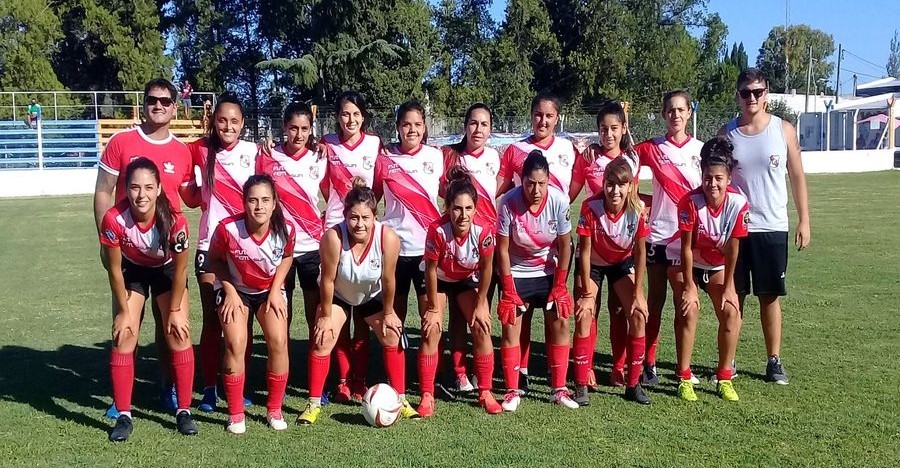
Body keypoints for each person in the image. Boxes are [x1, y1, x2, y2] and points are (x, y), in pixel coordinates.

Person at [93, 78, 193, 418]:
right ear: (144, 103)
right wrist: (105, 240)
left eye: (165, 101)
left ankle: (169, 387)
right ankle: (122, 399)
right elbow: (103, 191)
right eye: (152, 99)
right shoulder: (121, 141)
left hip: (166, 256)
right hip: (129, 253)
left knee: (172, 327)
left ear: (175, 107)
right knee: (125, 324)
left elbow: (189, 194)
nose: (158, 105)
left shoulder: (182, 151)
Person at [298, 178, 419, 424]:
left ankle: (401, 399)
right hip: (340, 295)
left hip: (371, 295)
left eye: (366, 217)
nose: (360, 224)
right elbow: (328, 280)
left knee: (393, 335)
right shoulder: (333, 237)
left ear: (375, 216)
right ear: (345, 216)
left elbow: (388, 280)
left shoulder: (388, 238)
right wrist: (325, 315)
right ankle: (313, 404)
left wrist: (389, 313)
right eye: (353, 217)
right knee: (322, 337)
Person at [719, 68, 811, 384]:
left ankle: (774, 361)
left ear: (766, 94)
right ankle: (728, 362)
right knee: (735, 296)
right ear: (738, 96)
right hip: (736, 229)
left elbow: (797, 175)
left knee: (769, 296)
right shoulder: (726, 134)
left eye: (758, 92)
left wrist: (804, 220)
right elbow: (716, 179)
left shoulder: (783, 130)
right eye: (746, 93)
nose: (752, 98)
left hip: (772, 226)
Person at [100, 158, 197, 441]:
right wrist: (122, 311)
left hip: (167, 272)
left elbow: (181, 269)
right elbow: (115, 269)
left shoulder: (175, 221)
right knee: (124, 335)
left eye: (148, 187)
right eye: (134, 187)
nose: (141, 195)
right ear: (126, 189)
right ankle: (124, 415)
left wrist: (175, 310)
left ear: (158, 189)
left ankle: (184, 411)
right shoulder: (114, 219)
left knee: (178, 332)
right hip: (134, 271)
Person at [497, 92, 580, 392]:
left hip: (550, 258)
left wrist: (560, 283)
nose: (542, 121)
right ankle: (519, 375)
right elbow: (497, 188)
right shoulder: (514, 150)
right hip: (519, 260)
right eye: (538, 114)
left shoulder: (568, 149)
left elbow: (579, 181)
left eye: (549, 115)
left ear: (558, 118)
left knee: (558, 315)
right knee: (520, 317)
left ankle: (559, 383)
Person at [185, 93, 259, 413]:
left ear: (243, 124)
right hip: (209, 248)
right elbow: (184, 187)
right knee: (213, 322)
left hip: (245, 250)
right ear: (213, 121)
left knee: (244, 322)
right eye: (222, 120)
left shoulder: (254, 152)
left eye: (234, 121)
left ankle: (241, 384)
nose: (228, 126)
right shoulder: (198, 149)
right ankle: (209, 389)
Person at [207, 175, 294, 434]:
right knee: (235, 343)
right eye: (253, 200)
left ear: (275, 203)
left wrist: (276, 289)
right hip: (236, 289)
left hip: (269, 290)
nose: (259, 206)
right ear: (244, 202)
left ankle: (274, 409)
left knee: (279, 341)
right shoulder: (227, 229)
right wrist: (230, 290)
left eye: (265, 200)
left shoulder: (287, 229)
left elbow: (287, 257)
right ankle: (236, 414)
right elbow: (214, 260)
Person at [632, 90, 704, 386]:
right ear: (663, 115)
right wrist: (639, 199)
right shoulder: (652, 147)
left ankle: (682, 366)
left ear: (689, 113)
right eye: (670, 110)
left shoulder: (701, 150)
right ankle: (649, 363)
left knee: (684, 302)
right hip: (658, 236)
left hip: (684, 240)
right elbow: (625, 162)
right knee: (655, 302)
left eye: (680, 110)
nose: (675, 115)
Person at [670, 137, 749, 402]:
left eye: (718, 178)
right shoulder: (689, 202)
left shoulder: (738, 203)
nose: (712, 184)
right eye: (707, 178)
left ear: (729, 178)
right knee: (689, 309)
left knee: (731, 312)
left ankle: (724, 377)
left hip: (717, 265)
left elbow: (734, 249)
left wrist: (730, 287)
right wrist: (689, 286)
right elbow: (686, 248)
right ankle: (684, 377)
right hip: (687, 264)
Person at [420, 166, 500, 416]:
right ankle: (427, 395)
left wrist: (481, 304)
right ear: (447, 208)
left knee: (481, 326)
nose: (463, 215)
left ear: (475, 208)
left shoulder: (484, 231)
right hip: (439, 279)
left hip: (466, 279)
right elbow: (430, 270)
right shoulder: (437, 230)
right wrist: (433, 308)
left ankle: (485, 392)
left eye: (468, 208)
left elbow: (487, 269)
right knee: (432, 328)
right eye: (457, 208)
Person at [319, 91, 382, 402]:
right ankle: (342, 380)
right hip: (336, 232)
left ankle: (360, 379)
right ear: (337, 116)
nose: (351, 119)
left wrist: (363, 216)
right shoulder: (326, 143)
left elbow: (377, 188)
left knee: (363, 317)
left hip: (364, 232)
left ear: (363, 117)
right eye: (345, 113)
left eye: (356, 114)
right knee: (340, 311)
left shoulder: (375, 144)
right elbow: (321, 183)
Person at [573, 101, 641, 389]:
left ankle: (618, 367)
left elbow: (636, 198)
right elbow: (570, 194)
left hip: (622, 251)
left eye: (614, 128)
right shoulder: (588, 157)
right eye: (603, 129)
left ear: (624, 129)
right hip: (592, 247)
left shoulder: (634, 158)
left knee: (620, 310)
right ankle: (586, 367)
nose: (609, 134)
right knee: (588, 308)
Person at [573, 157, 651, 406]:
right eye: (610, 184)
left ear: (630, 186)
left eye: (621, 184)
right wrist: (587, 294)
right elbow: (585, 252)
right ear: (603, 184)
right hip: (593, 264)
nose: (614, 190)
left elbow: (640, 253)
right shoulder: (590, 206)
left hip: (621, 263)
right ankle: (580, 383)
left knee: (638, 314)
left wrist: (638, 293)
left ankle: (633, 384)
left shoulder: (638, 210)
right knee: (584, 313)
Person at [437, 103, 500, 395]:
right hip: (453, 245)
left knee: (479, 312)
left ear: (491, 129)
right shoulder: (448, 156)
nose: (478, 129)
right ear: (465, 126)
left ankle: (479, 371)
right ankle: (459, 374)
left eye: (484, 124)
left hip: (484, 247)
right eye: (473, 123)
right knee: (456, 316)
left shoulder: (497, 158)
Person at [257, 101, 327, 334]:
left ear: (311, 129)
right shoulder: (268, 156)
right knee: (280, 311)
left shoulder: (319, 157)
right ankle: (282, 353)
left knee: (314, 310)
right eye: (294, 128)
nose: (299, 134)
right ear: (285, 127)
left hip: (311, 246)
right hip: (279, 245)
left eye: (305, 129)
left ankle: (315, 353)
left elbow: (334, 195)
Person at [374, 101, 443, 322]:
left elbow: (449, 193)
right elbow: (372, 200)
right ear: (398, 127)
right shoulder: (384, 157)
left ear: (424, 127)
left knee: (431, 317)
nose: (412, 130)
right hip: (395, 248)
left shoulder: (436, 156)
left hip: (428, 248)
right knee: (394, 317)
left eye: (417, 124)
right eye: (406, 124)